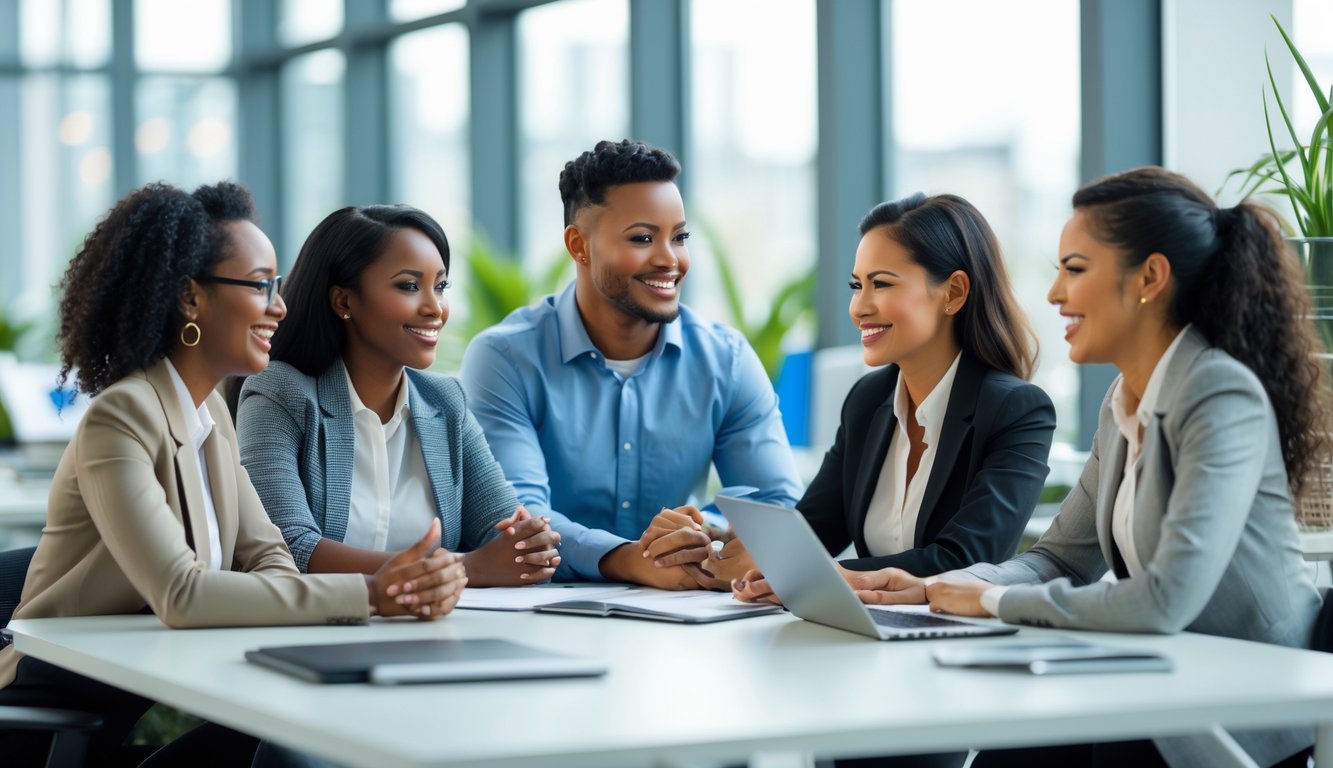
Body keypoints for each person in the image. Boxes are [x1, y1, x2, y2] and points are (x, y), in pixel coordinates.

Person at [855, 167, 1326, 768]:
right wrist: (942, 588)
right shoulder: (1121, 401)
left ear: (1150, 278)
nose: (1054, 294)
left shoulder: (1218, 393)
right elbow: (1060, 558)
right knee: (1008, 751)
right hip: (1164, 682)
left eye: (1074, 269)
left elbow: (1163, 600)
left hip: (1247, 710)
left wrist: (991, 603)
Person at [0, 182, 465, 766]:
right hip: (48, 730)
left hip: (128, 707)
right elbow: (182, 593)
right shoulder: (121, 417)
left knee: (316, 742)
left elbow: (269, 557)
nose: (281, 305)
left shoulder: (209, 411)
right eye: (260, 285)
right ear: (191, 299)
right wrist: (373, 592)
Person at [460, 139, 803, 587]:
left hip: (683, 622)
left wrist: (705, 537)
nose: (669, 259)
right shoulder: (504, 358)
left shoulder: (727, 359)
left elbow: (775, 508)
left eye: (679, 237)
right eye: (643, 238)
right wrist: (626, 559)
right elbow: (518, 521)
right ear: (579, 246)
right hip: (546, 614)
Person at [714, 193, 1055, 606]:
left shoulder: (1015, 411)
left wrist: (825, 574)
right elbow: (812, 531)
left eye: (882, 283)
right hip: (868, 635)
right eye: (857, 285)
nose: (859, 307)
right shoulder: (867, 399)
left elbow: (966, 559)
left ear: (954, 292)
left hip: (956, 637)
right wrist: (723, 544)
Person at [236, 206, 559, 586]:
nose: (435, 308)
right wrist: (469, 568)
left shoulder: (445, 402)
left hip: (436, 633)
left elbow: (504, 534)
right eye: (409, 286)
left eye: (440, 286)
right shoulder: (281, 392)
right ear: (343, 301)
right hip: (318, 633)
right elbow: (289, 548)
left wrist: (532, 545)